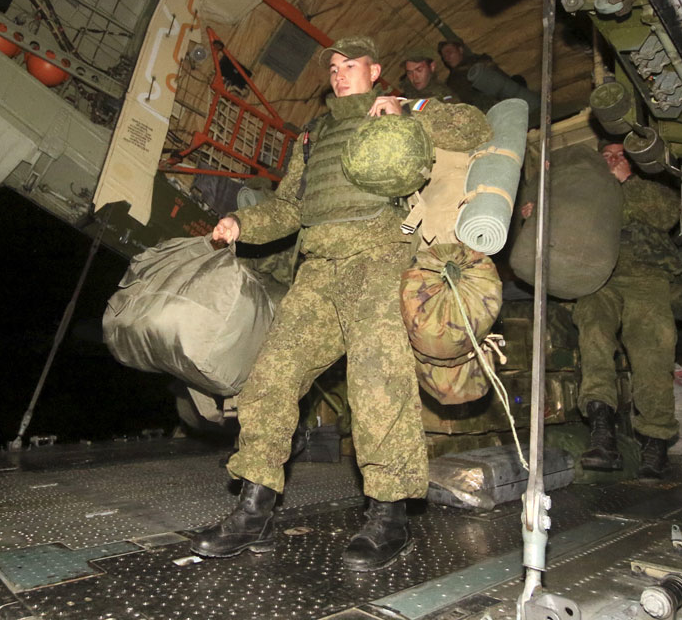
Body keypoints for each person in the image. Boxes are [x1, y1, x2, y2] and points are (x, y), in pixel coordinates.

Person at [191, 36, 488, 571]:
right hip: (318, 269)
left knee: (377, 380)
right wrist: (242, 224)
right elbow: (287, 209)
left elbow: (474, 128)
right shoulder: (313, 134)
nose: (338, 73)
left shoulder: (401, 111)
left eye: (349, 65)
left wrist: (409, 107)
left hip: (376, 256)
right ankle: (254, 511)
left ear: (374, 70)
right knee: (271, 379)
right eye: (332, 66)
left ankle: (388, 515)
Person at [573, 143, 682, 480]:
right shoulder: (585, 195)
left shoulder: (651, 189)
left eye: (619, 154)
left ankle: (656, 442)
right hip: (599, 276)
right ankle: (602, 432)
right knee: (593, 334)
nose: (612, 159)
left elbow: (668, 214)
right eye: (605, 156)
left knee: (652, 352)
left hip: (646, 277)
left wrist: (626, 183)